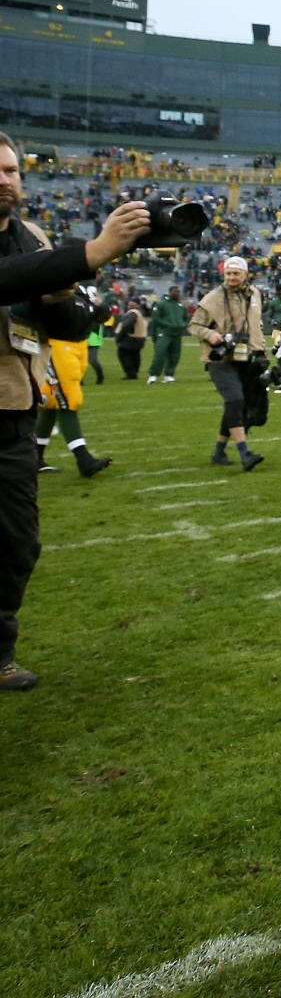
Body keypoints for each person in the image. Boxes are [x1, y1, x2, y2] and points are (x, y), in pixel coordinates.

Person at [0, 130, 150, 691]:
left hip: (13, 403)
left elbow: (65, 327)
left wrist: (65, 288)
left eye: (13, 170)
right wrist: (87, 254)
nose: (6, 179)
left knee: (18, 541)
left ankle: (1, 651)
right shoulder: (38, 252)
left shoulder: (31, 238)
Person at [189, 256, 268, 470]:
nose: (231, 277)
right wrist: (210, 334)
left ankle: (218, 452)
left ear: (245, 274)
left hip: (245, 356)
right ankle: (244, 453)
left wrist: (261, 350)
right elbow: (193, 325)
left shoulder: (255, 295)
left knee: (239, 404)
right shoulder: (213, 298)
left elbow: (256, 325)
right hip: (220, 358)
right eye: (228, 274)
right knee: (234, 400)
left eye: (236, 273)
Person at [26, 280, 112, 476]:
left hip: (77, 345)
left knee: (53, 405)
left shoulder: (79, 288)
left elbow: (84, 313)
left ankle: (35, 459)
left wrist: (97, 312)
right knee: (68, 399)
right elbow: (61, 310)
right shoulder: (53, 284)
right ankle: (83, 459)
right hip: (57, 344)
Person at [147, 285, 187, 384]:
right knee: (159, 353)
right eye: (175, 292)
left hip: (177, 334)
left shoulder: (180, 306)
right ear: (170, 292)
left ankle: (169, 374)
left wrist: (182, 325)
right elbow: (156, 318)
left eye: (178, 292)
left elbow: (185, 318)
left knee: (174, 355)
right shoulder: (161, 304)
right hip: (164, 332)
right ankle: (153, 375)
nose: (177, 294)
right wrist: (167, 325)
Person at [114, 297, 148, 379]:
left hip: (131, 338)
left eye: (133, 302)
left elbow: (127, 325)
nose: (130, 303)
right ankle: (134, 372)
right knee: (135, 355)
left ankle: (131, 374)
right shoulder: (141, 312)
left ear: (137, 304)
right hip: (140, 337)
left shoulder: (133, 313)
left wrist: (119, 336)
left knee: (124, 355)